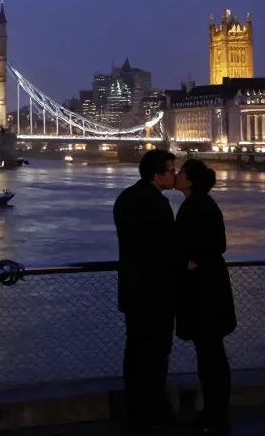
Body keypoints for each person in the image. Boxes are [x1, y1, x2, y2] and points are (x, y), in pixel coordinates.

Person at [113, 149, 178, 432]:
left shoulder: (124, 198)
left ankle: (135, 408)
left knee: (135, 350)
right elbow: (167, 248)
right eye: (171, 169)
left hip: (131, 287)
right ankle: (154, 410)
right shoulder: (158, 204)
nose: (174, 174)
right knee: (157, 352)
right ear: (157, 175)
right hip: (157, 291)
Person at [174, 158, 236, 435]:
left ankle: (214, 414)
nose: (176, 175)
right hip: (212, 288)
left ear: (189, 181)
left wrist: (191, 261)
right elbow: (218, 243)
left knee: (209, 356)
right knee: (213, 354)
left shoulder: (194, 207)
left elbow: (210, 244)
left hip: (203, 292)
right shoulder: (204, 203)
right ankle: (215, 411)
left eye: (180, 172)